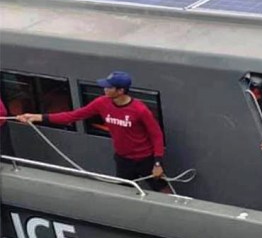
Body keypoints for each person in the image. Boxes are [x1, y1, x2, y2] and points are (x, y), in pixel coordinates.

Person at [16, 71, 168, 192]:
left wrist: (157, 163)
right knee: (124, 191)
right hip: (123, 159)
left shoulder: (139, 110)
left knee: (162, 188)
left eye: (109, 87)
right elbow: (73, 116)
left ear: (121, 91)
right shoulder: (102, 103)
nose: (104, 89)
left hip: (145, 159)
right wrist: (37, 117)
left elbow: (156, 135)